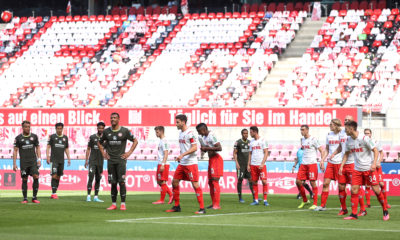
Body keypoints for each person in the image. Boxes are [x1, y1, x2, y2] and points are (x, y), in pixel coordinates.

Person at [340, 121, 389, 221]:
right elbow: (346, 153)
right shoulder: (348, 140)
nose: (345, 130)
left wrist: (374, 163)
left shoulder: (364, 138)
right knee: (354, 190)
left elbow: (375, 150)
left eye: (346, 128)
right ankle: (354, 214)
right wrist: (341, 165)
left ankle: (385, 210)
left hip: (368, 169)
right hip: (357, 169)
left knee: (376, 190)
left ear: (352, 128)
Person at [98, 113, 138, 211]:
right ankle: (114, 204)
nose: (113, 119)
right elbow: (99, 142)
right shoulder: (107, 132)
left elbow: (135, 141)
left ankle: (123, 204)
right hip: (111, 161)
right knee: (113, 183)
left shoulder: (124, 131)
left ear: (119, 119)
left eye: (115, 118)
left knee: (122, 182)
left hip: (121, 161)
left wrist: (128, 153)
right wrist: (103, 153)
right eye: (111, 118)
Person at [166, 114, 205, 214]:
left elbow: (195, 147)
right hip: (182, 163)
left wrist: (182, 155)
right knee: (174, 182)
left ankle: (202, 208)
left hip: (191, 163)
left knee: (195, 184)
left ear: (183, 122)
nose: (176, 124)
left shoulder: (190, 133)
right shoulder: (181, 133)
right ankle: (176, 206)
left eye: (178, 122)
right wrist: (181, 157)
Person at [315, 119, 347, 211]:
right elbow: (327, 149)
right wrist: (322, 160)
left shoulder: (343, 134)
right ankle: (322, 205)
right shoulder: (329, 135)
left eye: (331, 124)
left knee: (341, 186)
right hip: (330, 163)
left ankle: (343, 206)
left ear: (336, 125)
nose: (330, 126)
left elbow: (343, 148)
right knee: (325, 183)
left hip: (340, 162)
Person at [329, 115, 356, 215]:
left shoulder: (355, 134)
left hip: (353, 163)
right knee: (340, 187)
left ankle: (362, 209)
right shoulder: (341, 133)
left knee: (355, 187)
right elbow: (341, 147)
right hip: (343, 164)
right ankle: (344, 209)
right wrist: (334, 153)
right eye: (345, 119)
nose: (346, 121)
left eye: (349, 119)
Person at [296, 125, 326, 210]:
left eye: (303, 130)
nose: (301, 131)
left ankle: (315, 203)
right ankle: (305, 200)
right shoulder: (302, 140)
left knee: (313, 182)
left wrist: (322, 161)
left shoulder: (314, 139)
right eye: (300, 130)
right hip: (303, 164)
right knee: (298, 181)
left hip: (312, 164)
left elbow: (321, 150)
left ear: (307, 130)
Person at [13, 120, 41, 203]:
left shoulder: (34, 137)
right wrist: (14, 164)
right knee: (24, 179)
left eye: (29, 127)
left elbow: (38, 148)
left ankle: (34, 197)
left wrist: (39, 159)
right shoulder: (18, 138)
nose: (27, 128)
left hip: (33, 161)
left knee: (36, 176)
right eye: (26, 127)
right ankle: (25, 198)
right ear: (22, 128)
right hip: (24, 162)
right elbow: (15, 151)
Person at [196, 123, 223, 210]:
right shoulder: (204, 138)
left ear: (204, 130)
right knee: (210, 182)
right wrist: (203, 150)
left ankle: (217, 204)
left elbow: (219, 148)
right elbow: (207, 148)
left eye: (199, 131)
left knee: (215, 181)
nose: (199, 133)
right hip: (211, 160)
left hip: (216, 159)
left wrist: (207, 149)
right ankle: (213, 203)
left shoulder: (212, 135)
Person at [363, 128, 391, 209]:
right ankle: (368, 203)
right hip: (368, 166)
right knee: (367, 185)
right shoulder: (363, 142)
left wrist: (378, 161)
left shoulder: (375, 142)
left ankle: (385, 203)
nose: (366, 134)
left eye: (368, 133)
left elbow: (381, 152)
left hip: (376, 166)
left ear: (371, 134)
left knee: (381, 184)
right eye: (365, 133)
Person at [47, 122, 71, 199]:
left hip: (61, 160)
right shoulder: (52, 137)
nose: (59, 130)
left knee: (58, 176)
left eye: (60, 128)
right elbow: (48, 147)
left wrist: (68, 158)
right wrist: (47, 156)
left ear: (62, 129)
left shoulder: (65, 138)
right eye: (58, 128)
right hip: (54, 160)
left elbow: (66, 148)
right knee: (54, 175)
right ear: (55, 129)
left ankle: (55, 191)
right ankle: (53, 193)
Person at [247, 126, 269, 206]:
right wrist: (248, 164)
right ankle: (256, 200)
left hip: (261, 165)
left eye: (251, 132)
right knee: (254, 182)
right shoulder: (251, 142)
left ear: (255, 132)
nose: (250, 133)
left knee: (264, 181)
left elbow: (266, 152)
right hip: (253, 165)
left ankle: (265, 200)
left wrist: (262, 163)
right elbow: (250, 153)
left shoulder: (263, 140)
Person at [85, 122, 106, 202]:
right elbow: (88, 149)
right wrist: (86, 160)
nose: (100, 129)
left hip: (100, 162)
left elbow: (106, 150)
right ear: (97, 128)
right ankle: (88, 196)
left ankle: (96, 197)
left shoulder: (105, 138)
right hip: (92, 161)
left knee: (98, 179)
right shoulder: (92, 137)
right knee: (91, 177)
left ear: (104, 129)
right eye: (99, 128)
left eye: (102, 128)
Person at [152, 126, 173, 205]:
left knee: (162, 181)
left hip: (164, 164)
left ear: (161, 131)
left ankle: (162, 200)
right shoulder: (161, 141)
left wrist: (163, 164)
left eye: (157, 132)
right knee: (159, 181)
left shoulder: (164, 141)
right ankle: (171, 195)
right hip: (160, 163)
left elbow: (166, 152)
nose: (156, 134)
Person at [233, 129, 255, 203]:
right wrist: (236, 163)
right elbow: (235, 153)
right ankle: (240, 198)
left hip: (248, 165)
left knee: (250, 180)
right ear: (241, 134)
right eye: (244, 133)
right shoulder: (238, 142)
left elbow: (251, 153)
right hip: (240, 165)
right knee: (240, 180)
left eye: (247, 133)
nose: (246, 134)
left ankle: (255, 197)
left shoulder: (250, 142)